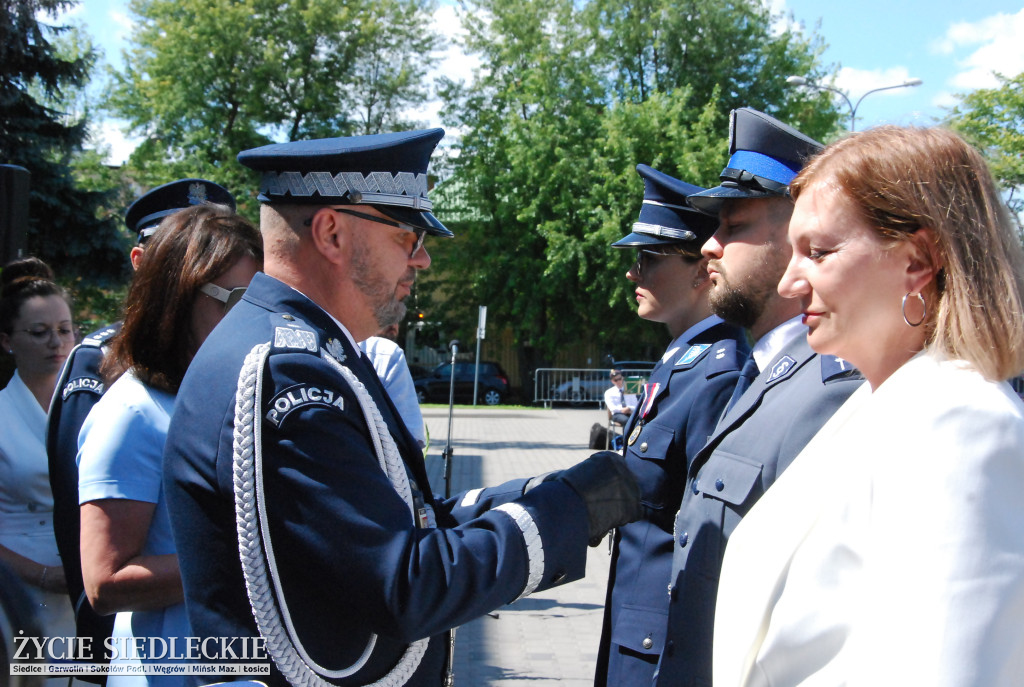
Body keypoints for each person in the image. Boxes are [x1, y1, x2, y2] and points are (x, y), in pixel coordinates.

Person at [161, 128, 641, 687]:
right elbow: (404, 584)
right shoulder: (288, 371)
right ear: (332, 232)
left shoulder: (312, 351)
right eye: (407, 237)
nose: (424, 259)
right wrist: (569, 511)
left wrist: (537, 490)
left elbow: (393, 521)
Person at [713, 126, 1024, 686]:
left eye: (819, 252)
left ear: (918, 261)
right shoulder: (884, 402)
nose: (789, 283)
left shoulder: (962, 425)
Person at [652, 108, 864, 686]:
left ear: (802, 238)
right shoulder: (764, 372)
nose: (710, 247)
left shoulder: (832, 394)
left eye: (735, 226)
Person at [45, 178, 235, 677]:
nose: (248, 316)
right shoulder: (119, 389)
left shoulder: (228, 381)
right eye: (231, 298)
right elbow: (96, 559)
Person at [76, 205, 261, 685]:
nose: (253, 320)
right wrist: (259, 561)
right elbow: (104, 582)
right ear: (176, 300)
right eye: (237, 299)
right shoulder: (131, 414)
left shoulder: (222, 395)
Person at [594, 165, 748, 686]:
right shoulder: (680, 361)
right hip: (636, 625)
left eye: (647, 259)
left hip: (664, 644)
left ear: (701, 270)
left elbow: (709, 534)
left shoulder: (718, 373)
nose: (632, 273)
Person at [0, 257, 75, 638]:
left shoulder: (92, 404)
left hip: (85, 585)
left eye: (65, 330)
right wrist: (43, 575)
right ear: (8, 340)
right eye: (39, 331)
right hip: (15, 587)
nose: (56, 343)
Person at [359, 323, 426, 448]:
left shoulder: (389, 354)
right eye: (386, 315)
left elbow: (411, 438)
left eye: (396, 319)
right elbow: (412, 439)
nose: (393, 324)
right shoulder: (386, 352)